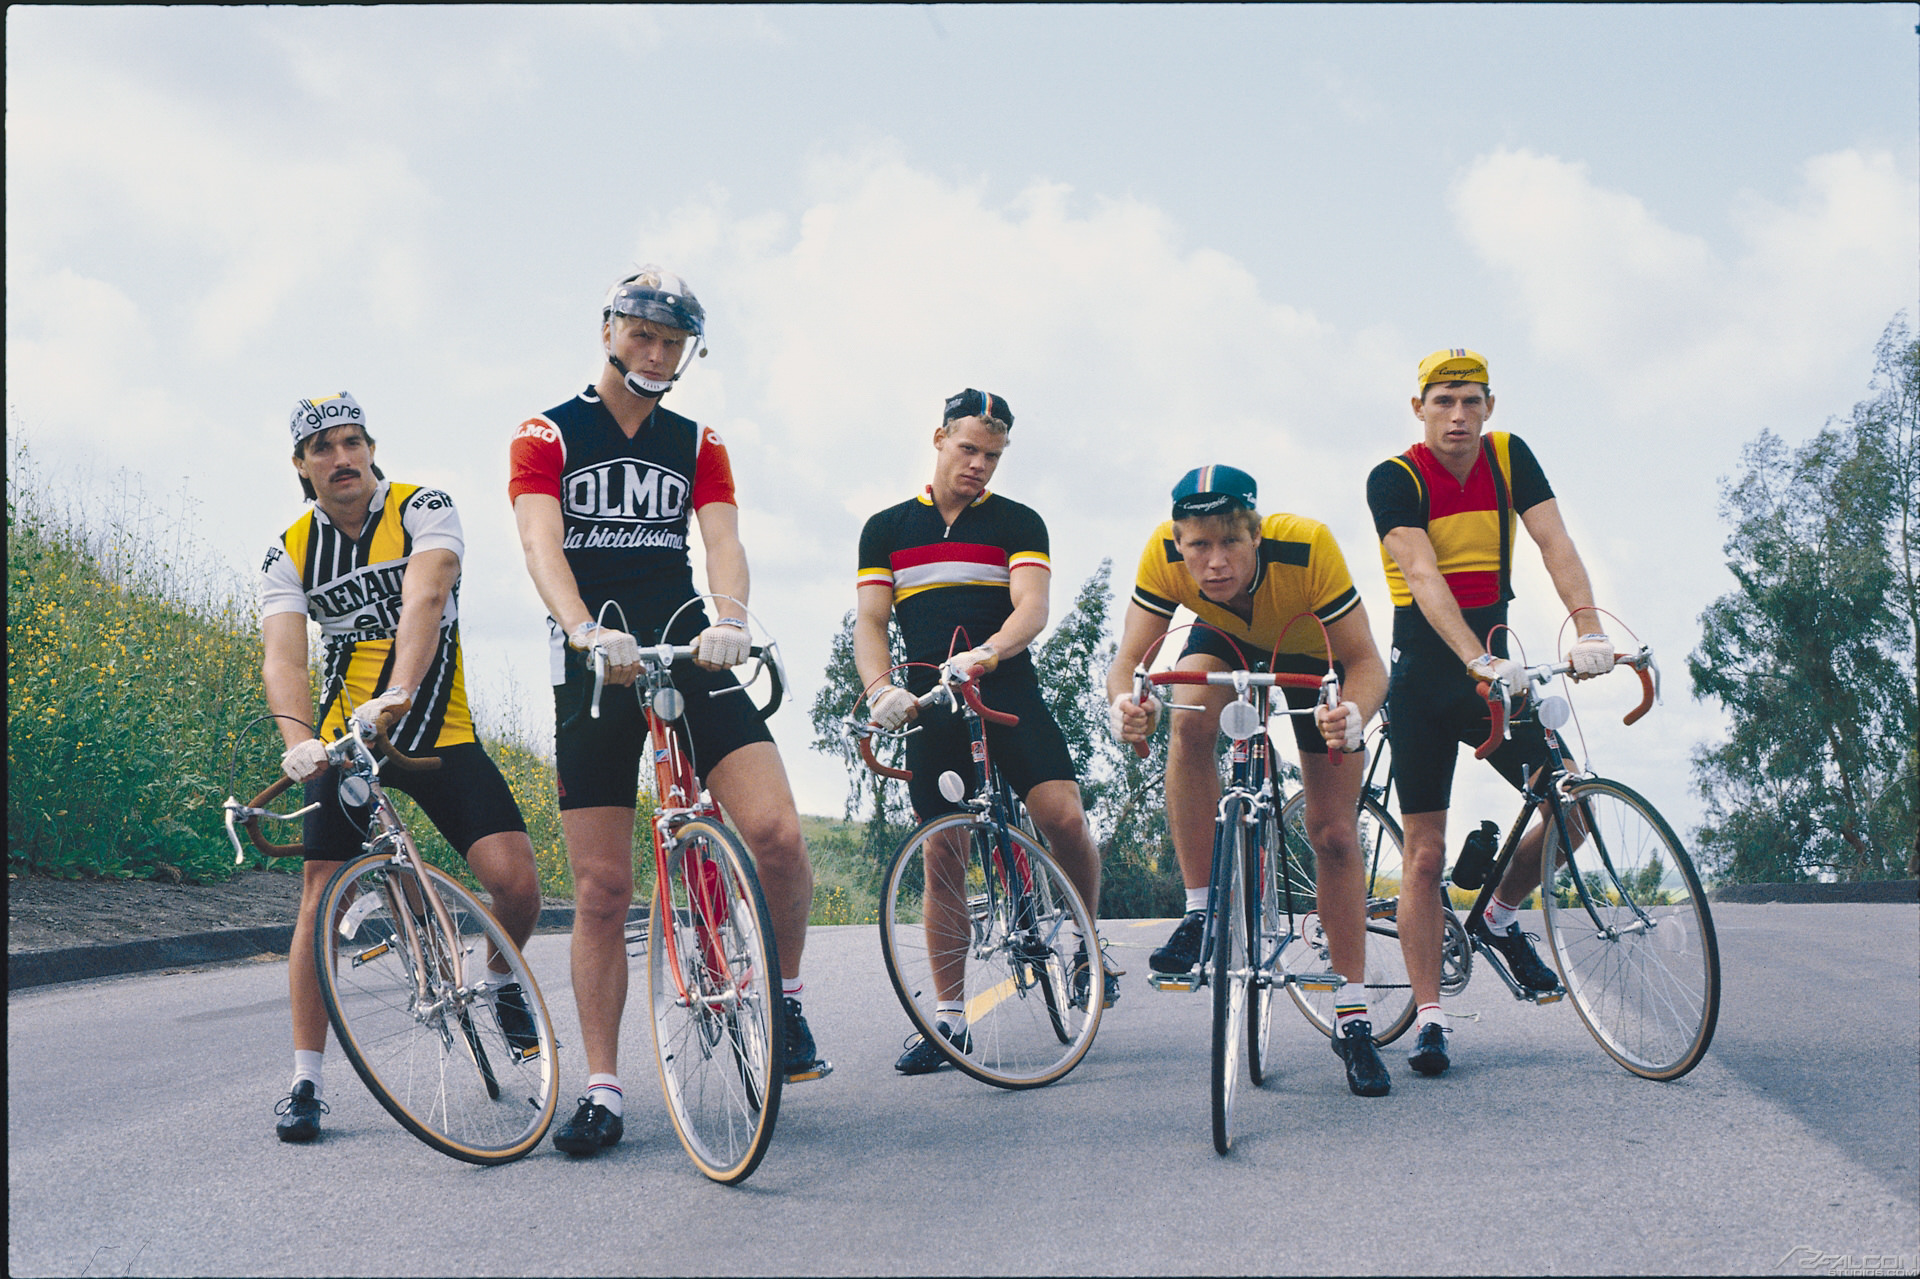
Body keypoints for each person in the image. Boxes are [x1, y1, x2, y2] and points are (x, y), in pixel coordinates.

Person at [510, 267, 824, 1158]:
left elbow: (723, 540)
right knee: (605, 890)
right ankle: (604, 1090)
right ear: (608, 329)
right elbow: (540, 541)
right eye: (642, 334)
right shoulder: (547, 433)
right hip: (597, 655)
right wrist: (581, 631)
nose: (655, 353)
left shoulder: (697, 440)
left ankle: (787, 1002)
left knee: (777, 833)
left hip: (687, 640)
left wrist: (729, 620)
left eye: (673, 342)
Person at [261, 392, 541, 1143]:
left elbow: (426, 594)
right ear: (301, 465)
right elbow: (283, 656)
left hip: (434, 726)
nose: (341, 458)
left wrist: (397, 695)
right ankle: (305, 1082)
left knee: (518, 885)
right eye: (323, 447)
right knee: (318, 894)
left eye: (353, 441)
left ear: (370, 448)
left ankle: (501, 981)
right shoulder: (289, 550)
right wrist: (297, 736)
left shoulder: (424, 506)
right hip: (343, 741)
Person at [1105, 465, 1394, 1096]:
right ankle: (1201, 909)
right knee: (1187, 727)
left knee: (1332, 833)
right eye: (1199, 546)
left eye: (1230, 542)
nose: (1214, 562)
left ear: (1256, 535)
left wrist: (1354, 715)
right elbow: (1130, 662)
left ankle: (1353, 1016)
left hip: (1310, 646)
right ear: (1178, 543)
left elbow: (1367, 662)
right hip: (1226, 639)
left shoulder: (1308, 547)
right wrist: (1128, 704)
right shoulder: (1160, 554)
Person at [1366, 348, 1616, 1077]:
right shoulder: (1396, 476)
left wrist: (1589, 627)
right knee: (1425, 853)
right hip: (1424, 679)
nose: (1458, 414)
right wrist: (1476, 658)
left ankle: (1500, 918)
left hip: (1494, 669)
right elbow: (1420, 572)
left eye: (1471, 400)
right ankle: (1431, 1020)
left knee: (1571, 806)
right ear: (1419, 407)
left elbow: (1553, 542)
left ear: (1490, 406)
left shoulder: (1509, 458)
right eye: (1443, 400)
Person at [856, 388, 1117, 1076]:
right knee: (944, 850)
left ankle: (1087, 945)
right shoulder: (886, 529)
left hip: (1002, 682)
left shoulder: (1017, 520)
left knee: (1062, 813)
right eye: (969, 448)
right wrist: (881, 688)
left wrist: (988, 652)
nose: (979, 465)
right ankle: (948, 1020)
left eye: (993, 455)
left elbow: (1033, 605)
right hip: (930, 699)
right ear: (939, 437)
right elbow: (873, 623)